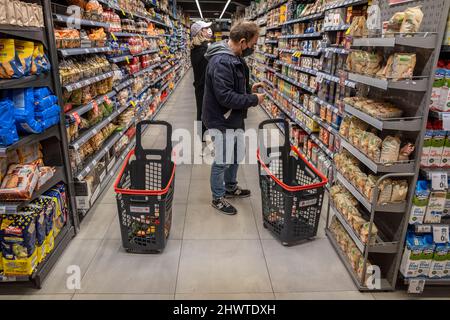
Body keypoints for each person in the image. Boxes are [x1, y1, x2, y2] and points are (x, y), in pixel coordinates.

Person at [202, 21, 265, 215]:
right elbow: (225, 97)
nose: (253, 48)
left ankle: (230, 187)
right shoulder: (222, 61)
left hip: (232, 118)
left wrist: (248, 90)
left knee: (237, 153)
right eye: (253, 45)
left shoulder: (234, 56)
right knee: (222, 159)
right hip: (220, 119)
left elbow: (233, 87)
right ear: (243, 41)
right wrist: (253, 99)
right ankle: (218, 197)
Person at [190, 20, 212, 141]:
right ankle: (203, 133)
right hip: (204, 84)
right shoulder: (202, 48)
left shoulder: (195, 47)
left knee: (202, 108)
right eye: (205, 29)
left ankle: (203, 132)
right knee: (204, 109)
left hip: (199, 83)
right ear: (200, 32)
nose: (207, 31)